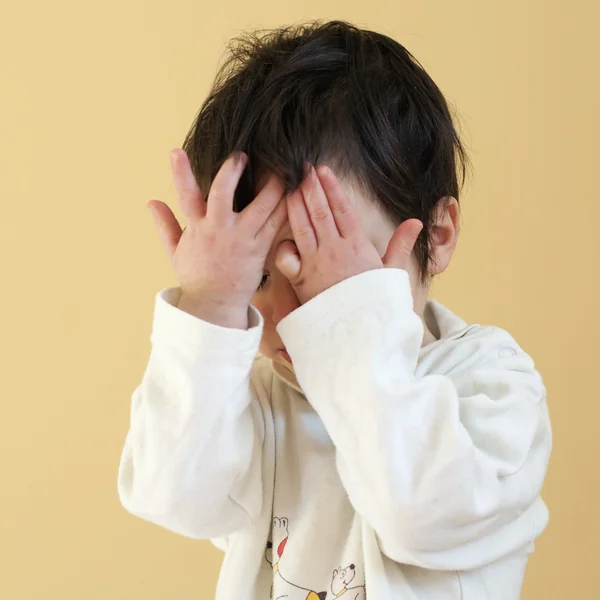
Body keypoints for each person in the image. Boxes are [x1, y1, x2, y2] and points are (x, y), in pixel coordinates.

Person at [117, 20, 551, 600]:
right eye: (258, 277)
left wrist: (352, 323)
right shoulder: (262, 406)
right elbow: (169, 495)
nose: (288, 314)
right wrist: (209, 309)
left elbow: (423, 515)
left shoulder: (491, 383)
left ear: (437, 234)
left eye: (333, 267)